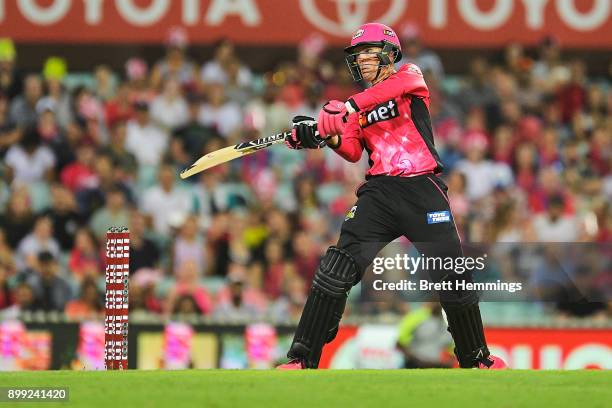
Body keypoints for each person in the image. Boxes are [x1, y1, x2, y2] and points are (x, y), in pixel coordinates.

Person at [278, 23, 506, 370]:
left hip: (422, 188)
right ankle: (301, 360)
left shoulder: (409, 76)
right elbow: (352, 150)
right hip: (380, 192)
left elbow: (384, 93)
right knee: (335, 269)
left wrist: (345, 108)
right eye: (357, 56)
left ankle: (477, 360)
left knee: (452, 273)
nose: (362, 61)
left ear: (389, 54)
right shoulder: (356, 109)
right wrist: (321, 137)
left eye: (368, 53)